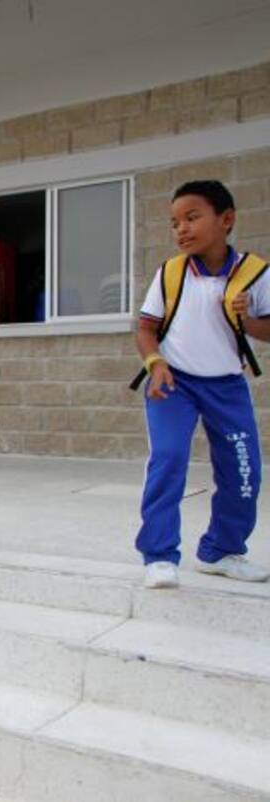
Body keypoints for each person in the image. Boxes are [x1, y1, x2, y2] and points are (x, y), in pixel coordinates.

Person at [135, 179, 270, 589]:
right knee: (169, 459)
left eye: (192, 218)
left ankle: (221, 551)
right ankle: (158, 555)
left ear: (226, 220)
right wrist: (155, 362)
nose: (181, 229)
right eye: (174, 222)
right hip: (172, 382)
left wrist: (245, 319)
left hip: (227, 386)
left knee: (243, 471)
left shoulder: (255, 274)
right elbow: (145, 328)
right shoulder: (170, 273)